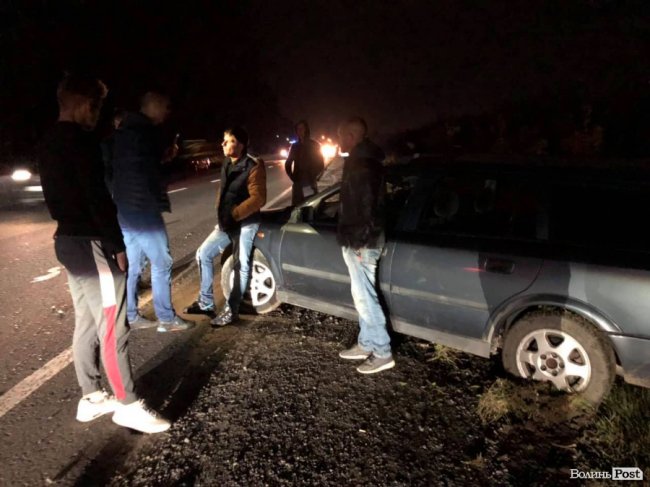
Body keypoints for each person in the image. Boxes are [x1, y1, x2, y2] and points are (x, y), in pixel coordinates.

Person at [38, 73, 170, 433]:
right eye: (96, 106)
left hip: (67, 239)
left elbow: (60, 198)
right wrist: (116, 244)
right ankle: (126, 403)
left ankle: (91, 396)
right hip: (91, 241)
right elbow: (97, 197)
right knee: (114, 325)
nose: (98, 114)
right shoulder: (79, 142)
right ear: (83, 104)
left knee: (87, 321)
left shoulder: (48, 141)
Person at [111, 92, 192, 332]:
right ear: (153, 107)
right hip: (143, 208)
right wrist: (172, 160)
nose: (167, 112)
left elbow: (137, 165)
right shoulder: (147, 131)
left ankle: (131, 315)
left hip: (124, 208)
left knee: (133, 264)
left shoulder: (124, 132)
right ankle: (166, 318)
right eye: (165, 106)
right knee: (162, 262)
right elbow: (153, 173)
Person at [184, 126, 266, 326]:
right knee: (203, 253)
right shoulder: (227, 162)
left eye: (228, 140)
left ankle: (232, 310)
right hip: (226, 222)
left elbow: (259, 198)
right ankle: (206, 303)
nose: (223, 144)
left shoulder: (254, 165)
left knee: (241, 265)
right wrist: (222, 212)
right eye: (224, 140)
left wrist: (235, 214)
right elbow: (225, 190)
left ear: (241, 144)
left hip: (245, 222)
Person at [336, 117, 395, 374]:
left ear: (351, 135)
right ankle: (366, 343)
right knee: (361, 295)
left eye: (341, 136)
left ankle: (382, 351)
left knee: (365, 297)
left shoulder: (362, 164)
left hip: (362, 240)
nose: (339, 141)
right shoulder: (364, 160)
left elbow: (367, 207)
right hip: (360, 238)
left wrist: (359, 241)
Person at [284, 120, 324, 205]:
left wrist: (313, 176)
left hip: (308, 183)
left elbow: (321, 163)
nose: (300, 131)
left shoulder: (314, 145)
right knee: (296, 207)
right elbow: (288, 163)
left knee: (308, 205)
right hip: (297, 182)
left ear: (306, 129)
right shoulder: (294, 146)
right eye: (298, 129)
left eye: (302, 128)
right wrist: (292, 176)